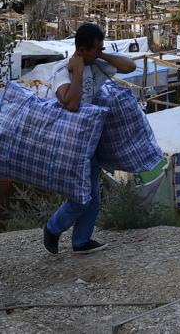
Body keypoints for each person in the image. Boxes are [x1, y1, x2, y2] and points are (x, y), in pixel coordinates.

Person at [43, 23, 136, 255]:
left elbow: (130, 66)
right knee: (81, 196)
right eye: (95, 48)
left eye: (100, 48)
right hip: (69, 143)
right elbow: (71, 103)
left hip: (90, 141)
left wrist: (101, 54)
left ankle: (81, 241)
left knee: (93, 195)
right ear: (81, 49)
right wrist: (76, 72)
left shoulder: (96, 64)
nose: (99, 52)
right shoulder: (62, 71)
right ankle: (53, 228)